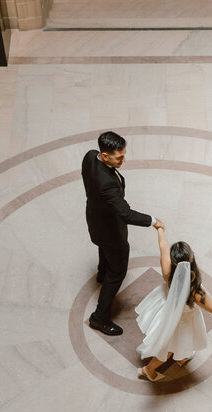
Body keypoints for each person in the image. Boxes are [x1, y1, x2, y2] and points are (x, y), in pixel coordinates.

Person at [135, 228, 212, 382]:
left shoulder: (167, 271)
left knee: (182, 340)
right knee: (169, 347)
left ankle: (182, 356)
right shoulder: (195, 291)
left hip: (166, 309)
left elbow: (163, 247)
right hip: (179, 320)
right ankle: (148, 370)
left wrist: (160, 230)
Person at [82, 131, 164, 336]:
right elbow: (126, 215)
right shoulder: (107, 185)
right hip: (110, 229)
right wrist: (152, 221)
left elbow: (95, 187)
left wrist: (111, 202)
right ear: (105, 155)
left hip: (95, 218)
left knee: (103, 247)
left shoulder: (89, 156)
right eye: (119, 157)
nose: (123, 160)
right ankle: (99, 318)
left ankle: (102, 272)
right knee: (118, 271)